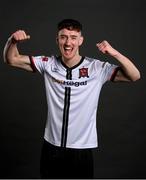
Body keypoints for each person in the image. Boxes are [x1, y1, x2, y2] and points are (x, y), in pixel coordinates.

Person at [3, 19, 140, 178]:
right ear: (57, 40)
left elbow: (135, 75)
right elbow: (11, 59)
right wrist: (12, 41)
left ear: (81, 40)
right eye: (63, 37)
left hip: (81, 150)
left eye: (73, 37)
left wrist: (114, 53)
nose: (68, 42)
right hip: (51, 147)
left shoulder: (95, 68)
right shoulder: (48, 64)